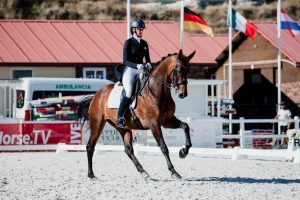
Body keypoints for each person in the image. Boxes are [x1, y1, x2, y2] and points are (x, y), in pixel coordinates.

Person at [116, 19, 152, 128]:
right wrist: (136, 65)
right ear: (133, 30)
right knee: (129, 91)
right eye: (139, 29)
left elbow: (148, 59)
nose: (141, 31)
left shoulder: (144, 43)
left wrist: (149, 64)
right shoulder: (129, 42)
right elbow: (125, 60)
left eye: (142, 29)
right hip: (130, 70)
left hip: (142, 69)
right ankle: (119, 117)